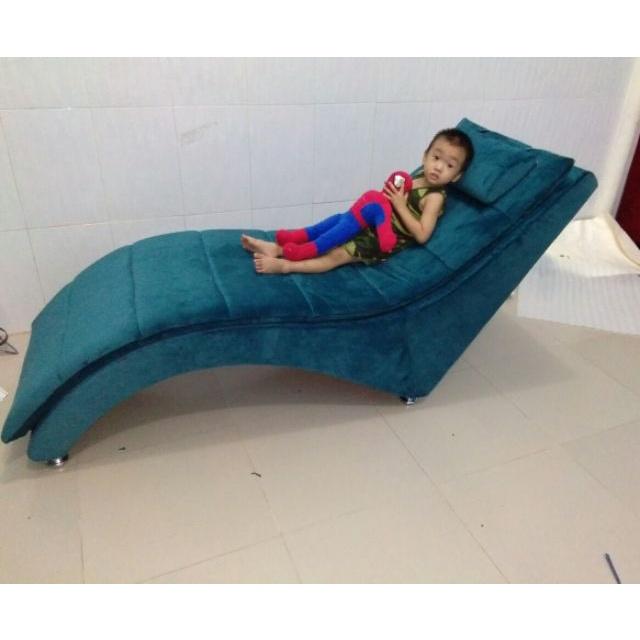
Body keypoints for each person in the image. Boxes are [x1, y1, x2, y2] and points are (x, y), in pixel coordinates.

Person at [241, 127, 474, 274]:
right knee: (334, 225)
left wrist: (400, 206)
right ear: (425, 156)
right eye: (436, 157)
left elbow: (422, 235)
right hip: (373, 222)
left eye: (449, 165)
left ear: (457, 176)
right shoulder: (417, 176)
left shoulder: (434, 197)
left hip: (383, 239)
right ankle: (277, 248)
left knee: (337, 254)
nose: (439, 167)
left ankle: (286, 266)